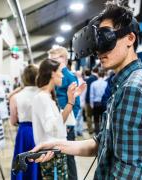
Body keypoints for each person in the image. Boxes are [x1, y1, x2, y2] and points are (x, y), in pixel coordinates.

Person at [29, 2, 142, 179]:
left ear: (130, 39)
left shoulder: (132, 89)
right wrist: (58, 145)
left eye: (105, 39)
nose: (99, 51)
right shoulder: (122, 85)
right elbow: (101, 143)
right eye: (96, 42)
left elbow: (127, 172)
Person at [31, 59, 86, 179]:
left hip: (55, 150)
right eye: (60, 71)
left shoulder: (47, 97)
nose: (62, 75)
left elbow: (60, 122)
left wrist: (71, 99)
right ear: (52, 73)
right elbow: (52, 127)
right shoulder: (42, 98)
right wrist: (70, 102)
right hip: (51, 153)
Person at [48, 46, 80, 180]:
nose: (52, 62)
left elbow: (75, 104)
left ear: (64, 60)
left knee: (68, 156)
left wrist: (68, 124)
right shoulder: (53, 76)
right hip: (55, 120)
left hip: (66, 122)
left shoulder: (70, 77)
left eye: (55, 59)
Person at [10, 64, 41, 180]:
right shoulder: (44, 94)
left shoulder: (16, 97)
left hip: (24, 132)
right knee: (39, 163)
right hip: (40, 132)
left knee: (21, 163)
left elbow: (13, 121)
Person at [90, 69, 107, 135]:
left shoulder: (93, 83)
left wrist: (91, 105)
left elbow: (91, 95)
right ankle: (103, 132)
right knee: (103, 118)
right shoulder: (106, 84)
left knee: (96, 119)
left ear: (98, 75)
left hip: (96, 103)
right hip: (104, 103)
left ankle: (97, 133)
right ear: (104, 75)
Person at [84, 66, 98, 134]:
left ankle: (90, 130)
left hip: (88, 100)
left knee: (88, 116)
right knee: (96, 116)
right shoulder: (97, 78)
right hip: (96, 100)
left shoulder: (89, 79)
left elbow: (86, 90)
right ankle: (96, 129)